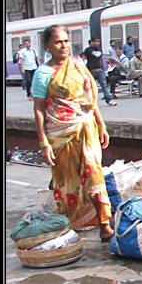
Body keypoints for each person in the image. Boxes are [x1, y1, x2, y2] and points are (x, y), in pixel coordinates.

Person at [32, 25, 113, 241]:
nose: (64, 46)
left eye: (66, 41)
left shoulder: (77, 65)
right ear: (48, 46)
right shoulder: (43, 73)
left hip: (86, 129)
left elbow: (89, 101)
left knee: (94, 174)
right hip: (60, 134)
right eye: (58, 42)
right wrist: (43, 143)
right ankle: (70, 225)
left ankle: (104, 224)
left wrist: (101, 125)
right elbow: (39, 110)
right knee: (67, 182)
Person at [85, 36, 117, 106]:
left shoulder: (99, 49)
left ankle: (109, 100)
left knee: (104, 86)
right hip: (91, 70)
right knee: (89, 86)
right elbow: (84, 59)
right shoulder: (88, 50)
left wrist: (102, 68)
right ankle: (89, 101)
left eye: (98, 41)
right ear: (92, 42)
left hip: (99, 70)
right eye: (96, 41)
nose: (98, 43)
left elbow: (100, 59)